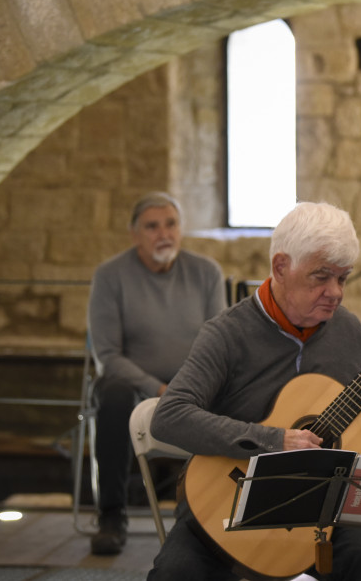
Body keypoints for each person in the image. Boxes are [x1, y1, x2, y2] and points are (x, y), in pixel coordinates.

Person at [147, 201, 361, 580]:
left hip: (321, 509)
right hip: (227, 505)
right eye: (321, 277)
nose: (335, 292)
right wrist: (274, 440)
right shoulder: (227, 334)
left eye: (343, 278)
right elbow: (170, 416)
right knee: (175, 573)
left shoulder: (346, 330)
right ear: (281, 267)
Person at [87, 192, 226, 555]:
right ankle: (112, 516)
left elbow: (220, 345)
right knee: (113, 395)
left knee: (238, 392)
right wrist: (158, 388)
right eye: (152, 226)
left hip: (194, 384)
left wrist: (185, 388)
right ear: (134, 234)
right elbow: (107, 355)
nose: (163, 233)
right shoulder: (109, 276)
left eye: (171, 224)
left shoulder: (206, 272)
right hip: (134, 386)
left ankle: (210, 516)